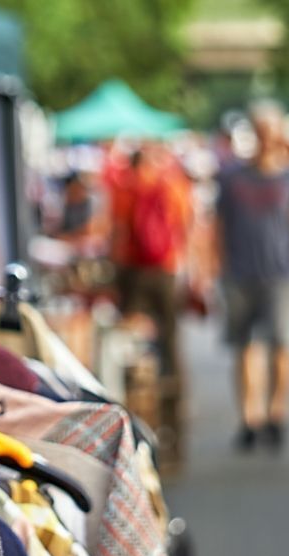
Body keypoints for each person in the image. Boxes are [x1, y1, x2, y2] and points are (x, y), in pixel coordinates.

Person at [214, 106, 289, 452]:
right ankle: (249, 417)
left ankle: (276, 413)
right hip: (240, 271)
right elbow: (218, 226)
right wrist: (216, 265)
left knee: (284, 345)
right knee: (245, 346)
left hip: (281, 273)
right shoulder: (232, 178)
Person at [110, 143, 191, 380]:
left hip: (133, 268)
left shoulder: (126, 189)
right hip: (165, 267)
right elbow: (184, 228)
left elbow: (118, 230)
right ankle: (172, 400)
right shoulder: (173, 186)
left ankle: (135, 395)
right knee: (169, 337)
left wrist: (115, 268)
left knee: (130, 336)